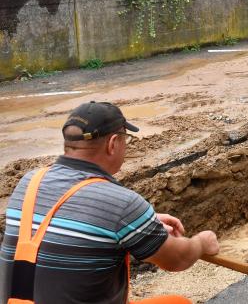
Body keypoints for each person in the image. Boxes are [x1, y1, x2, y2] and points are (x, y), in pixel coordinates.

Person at [0, 101, 219, 304]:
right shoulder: (121, 203)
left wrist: (139, 226)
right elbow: (177, 260)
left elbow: (71, 218)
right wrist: (202, 242)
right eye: (126, 139)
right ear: (113, 143)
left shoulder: (29, 182)